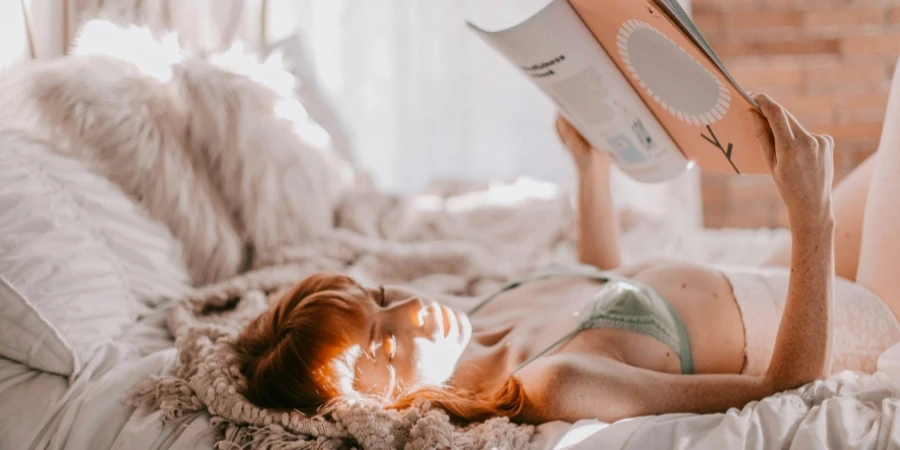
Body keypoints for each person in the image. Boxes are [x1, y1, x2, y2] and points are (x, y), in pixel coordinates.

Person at [233, 84, 900, 424]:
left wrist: (590, 169)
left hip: (773, 274)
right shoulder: (556, 385)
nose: (410, 310)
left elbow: (601, 281)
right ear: (371, 409)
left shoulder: (481, 313)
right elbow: (785, 391)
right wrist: (812, 215)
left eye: (379, 300)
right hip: (839, 312)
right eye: (381, 345)